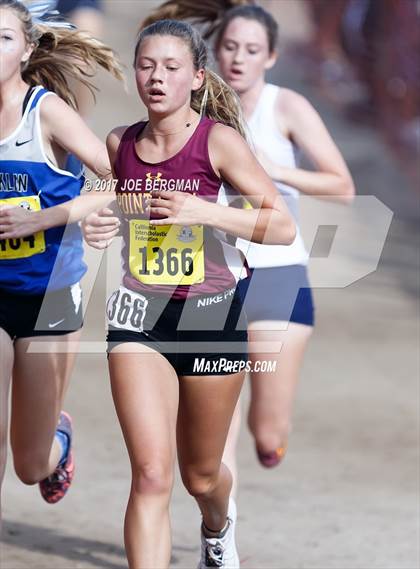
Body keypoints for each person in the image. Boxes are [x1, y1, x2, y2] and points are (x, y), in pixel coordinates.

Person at [82, 18, 295, 569]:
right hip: (139, 315)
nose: (157, 78)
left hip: (212, 313)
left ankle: (217, 528)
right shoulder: (120, 143)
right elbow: (120, 210)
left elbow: (283, 225)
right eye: (147, 66)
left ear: (197, 78)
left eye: (172, 68)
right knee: (151, 473)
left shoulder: (218, 143)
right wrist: (102, 222)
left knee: (199, 473)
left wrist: (204, 211)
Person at [142, 0, 355, 489]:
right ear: (214, 52)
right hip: (212, 276)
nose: (239, 58)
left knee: (266, 428)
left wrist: (268, 170)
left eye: (252, 50)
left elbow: (341, 186)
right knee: (218, 425)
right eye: (231, 47)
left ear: (272, 57)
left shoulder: (287, 107)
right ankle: (221, 540)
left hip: (278, 272)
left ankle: (271, 435)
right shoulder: (191, 111)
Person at [0, 0, 122, 513]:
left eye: (3, 37)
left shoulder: (44, 110)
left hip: (47, 299)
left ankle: (59, 443)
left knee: (30, 464)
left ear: (27, 50)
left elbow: (120, 177)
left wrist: (45, 218)